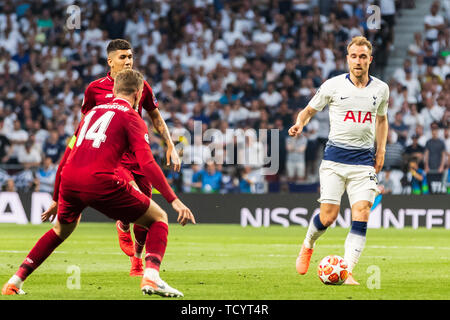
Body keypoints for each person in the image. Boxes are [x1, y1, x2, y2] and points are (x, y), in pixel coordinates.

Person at [2, 69, 195, 297]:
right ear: (138, 93)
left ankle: (14, 282)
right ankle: (151, 277)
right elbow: (147, 164)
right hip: (100, 180)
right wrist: (174, 200)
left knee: (60, 230)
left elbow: (66, 155)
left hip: (70, 180)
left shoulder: (91, 113)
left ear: (114, 90)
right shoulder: (132, 117)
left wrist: (56, 198)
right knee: (158, 218)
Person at [44, 39, 181, 277]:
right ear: (110, 61)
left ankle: (137, 260)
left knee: (146, 212)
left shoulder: (141, 85)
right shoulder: (94, 89)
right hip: (112, 158)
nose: (128, 61)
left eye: (130, 57)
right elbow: (85, 127)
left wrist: (171, 145)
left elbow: (156, 117)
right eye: (122, 57)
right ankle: (122, 220)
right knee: (131, 196)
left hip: (137, 155)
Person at [288, 36, 389, 285]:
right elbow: (309, 110)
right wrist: (300, 123)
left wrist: (382, 151)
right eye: (354, 56)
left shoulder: (381, 89)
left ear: (370, 60)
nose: (358, 61)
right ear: (347, 59)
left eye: (363, 56)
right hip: (334, 161)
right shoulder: (332, 86)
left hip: (364, 162)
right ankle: (308, 244)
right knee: (328, 217)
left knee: (362, 210)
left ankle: (348, 271)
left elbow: (382, 120)